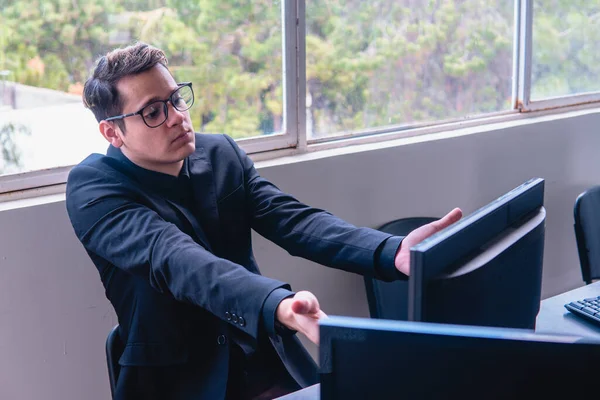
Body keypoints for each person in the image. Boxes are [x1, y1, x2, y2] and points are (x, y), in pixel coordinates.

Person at [65, 42, 462, 400]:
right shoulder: (94, 189)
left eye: (176, 99)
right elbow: (178, 260)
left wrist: (392, 251)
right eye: (153, 111)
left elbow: (292, 220)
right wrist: (279, 304)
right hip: (182, 380)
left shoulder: (219, 153)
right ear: (113, 132)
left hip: (265, 359)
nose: (176, 117)